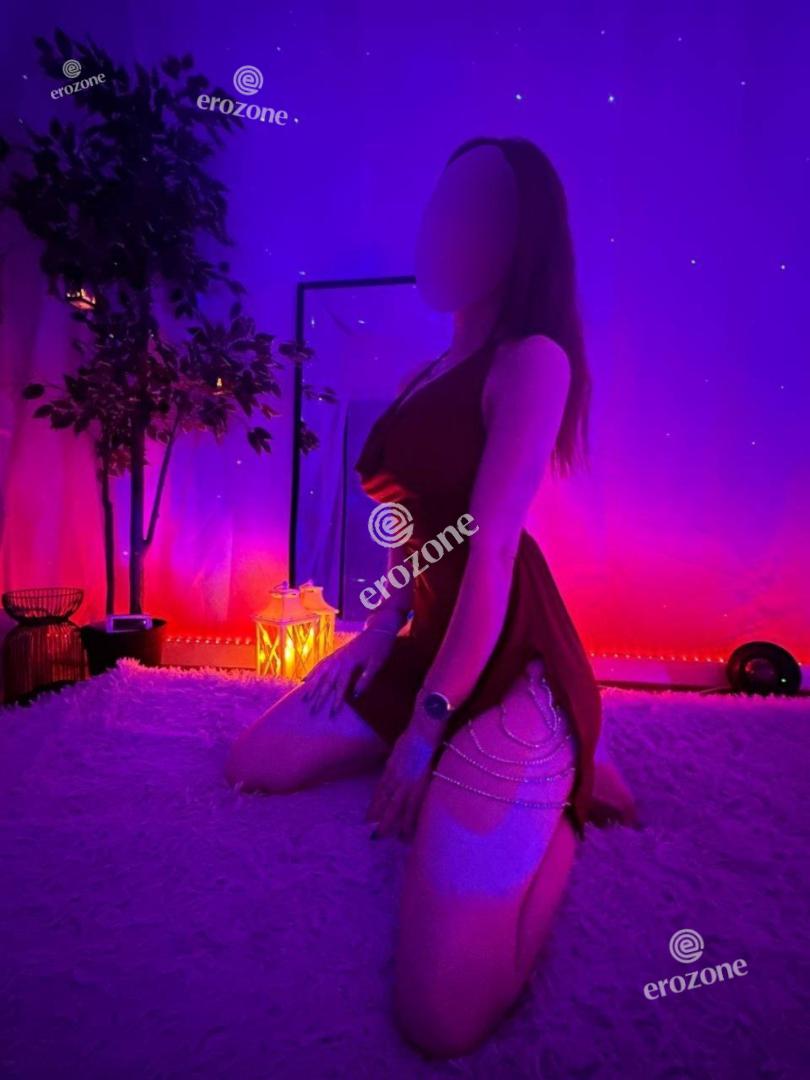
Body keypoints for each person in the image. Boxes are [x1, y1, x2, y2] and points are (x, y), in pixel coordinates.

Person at [224, 135, 637, 1058]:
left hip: (507, 655)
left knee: (440, 1014)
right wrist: (378, 631)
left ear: (524, 239)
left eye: (478, 209)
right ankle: (468, 751)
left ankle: (566, 785)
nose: (446, 225)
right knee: (258, 761)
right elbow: (411, 527)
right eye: (442, 202)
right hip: (427, 643)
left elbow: (486, 556)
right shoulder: (422, 373)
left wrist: (423, 730)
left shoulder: (532, 360)